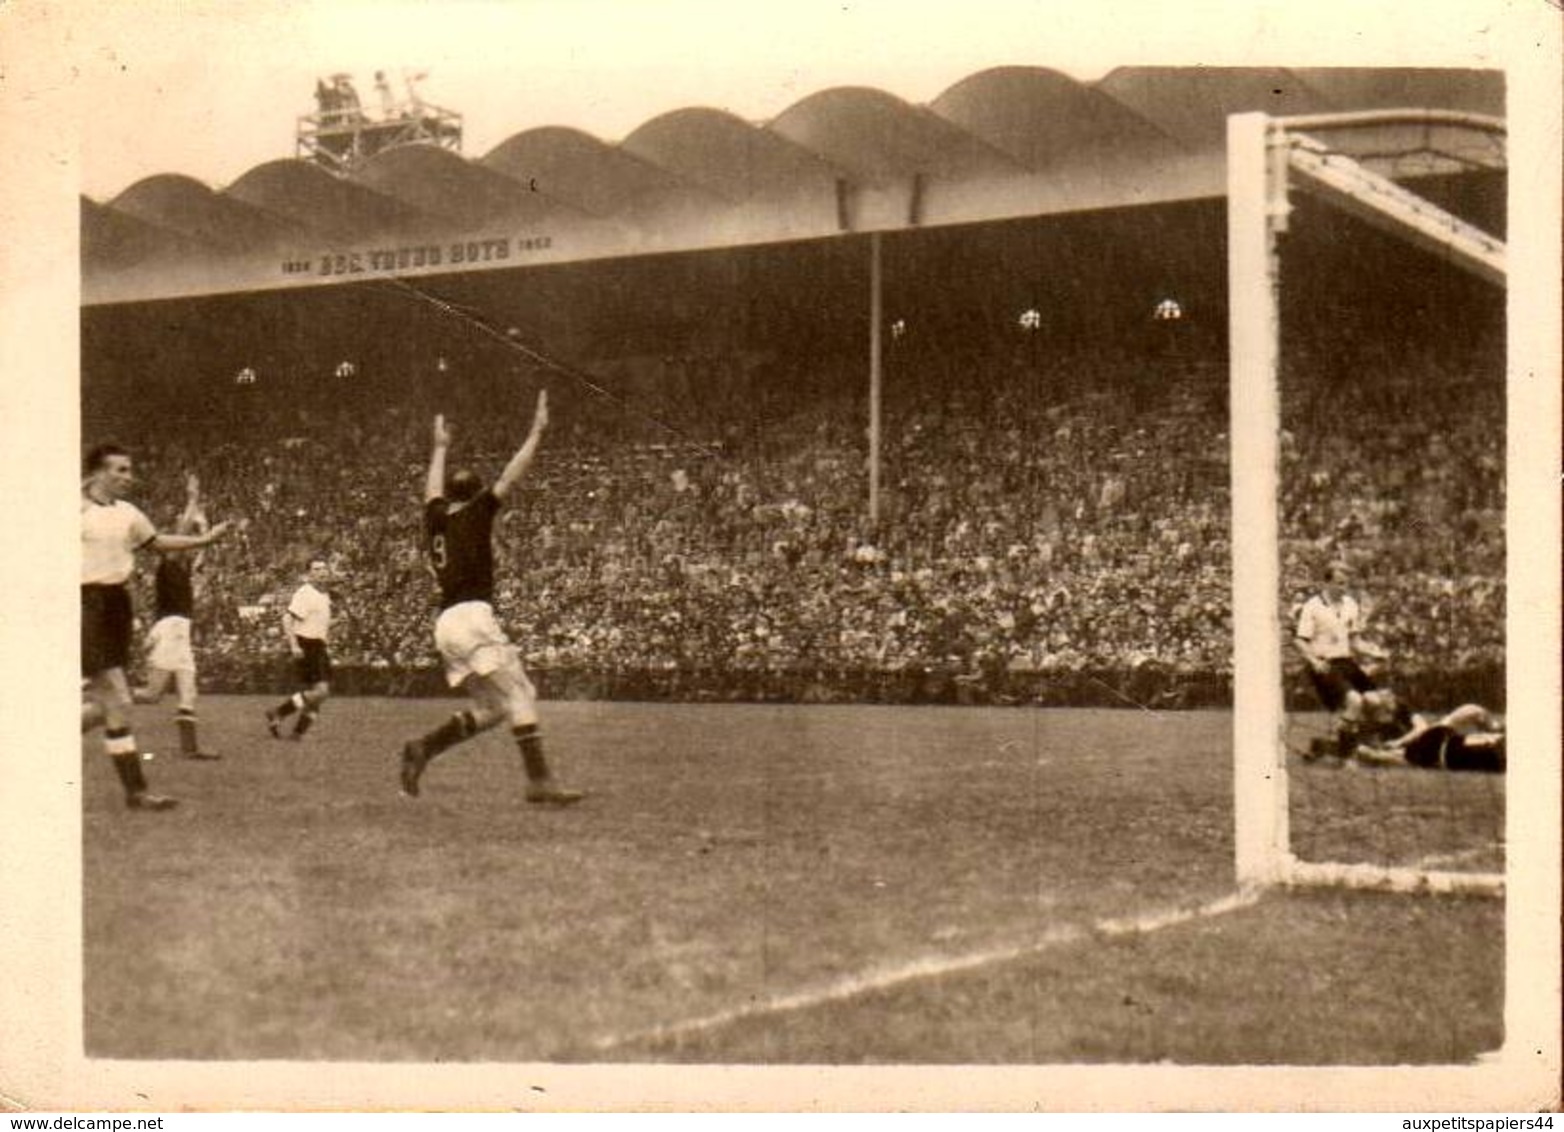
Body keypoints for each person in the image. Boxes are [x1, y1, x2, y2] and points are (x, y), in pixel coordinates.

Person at [398, 392, 582, 805]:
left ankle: (423, 747)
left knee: (495, 709)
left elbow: (430, 490)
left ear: (449, 495)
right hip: (473, 615)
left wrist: (440, 448)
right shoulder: (478, 512)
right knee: (521, 695)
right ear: (476, 493)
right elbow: (512, 475)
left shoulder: (436, 518)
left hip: (446, 624)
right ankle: (540, 782)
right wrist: (536, 432)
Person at [81, 444, 231, 810]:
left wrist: (205, 539)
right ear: (98, 472)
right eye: (121, 470)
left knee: (112, 703)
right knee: (116, 697)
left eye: (130, 470)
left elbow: (158, 541)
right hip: (83, 603)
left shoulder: (128, 513)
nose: (129, 477)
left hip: (117, 603)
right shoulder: (72, 509)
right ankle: (137, 792)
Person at [133, 472, 220, 759]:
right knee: (152, 693)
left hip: (179, 628)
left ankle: (190, 749)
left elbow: (199, 552)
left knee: (188, 691)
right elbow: (185, 534)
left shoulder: (179, 568)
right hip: (171, 627)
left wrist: (203, 525)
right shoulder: (169, 562)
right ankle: (94, 696)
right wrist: (193, 498)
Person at [1294, 561, 1383, 758]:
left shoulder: (1350, 605)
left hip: (1346, 663)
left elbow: (1355, 640)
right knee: (1354, 701)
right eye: (1340, 583)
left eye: (1346, 583)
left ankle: (1326, 745)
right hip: (1325, 664)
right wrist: (1314, 661)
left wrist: (1373, 651)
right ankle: (1346, 757)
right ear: (1327, 583)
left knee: (1376, 702)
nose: (1344, 588)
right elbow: (1300, 640)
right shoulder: (1313, 606)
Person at [265, 559, 333, 740]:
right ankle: (278, 712)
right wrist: (294, 645)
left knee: (318, 696)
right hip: (307, 645)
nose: (322, 572)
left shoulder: (323, 594)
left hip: (318, 645)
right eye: (317, 569)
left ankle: (297, 733)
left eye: (324, 568)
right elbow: (287, 619)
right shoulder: (305, 593)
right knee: (321, 692)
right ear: (309, 574)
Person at [1352, 694, 1506, 773]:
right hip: (1443, 747)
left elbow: (1421, 727)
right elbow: (1474, 711)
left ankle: (1373, 755)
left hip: (1442, 752)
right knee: (1406, 756)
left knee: (1406, 757)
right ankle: (1374, 755)